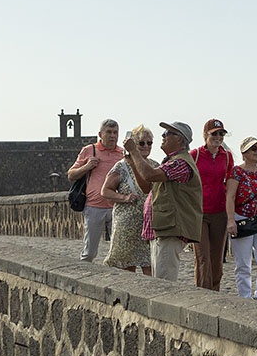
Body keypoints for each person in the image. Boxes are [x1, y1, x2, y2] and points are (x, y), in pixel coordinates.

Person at [123, 121, 202, 281]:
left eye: (167, 134)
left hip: (170, 229)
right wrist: (133, 162)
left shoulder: (180, 163)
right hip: (163, 228)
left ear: (179, 139)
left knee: (164, 282)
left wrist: (134, 151)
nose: (163, 136)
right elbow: (147, 187)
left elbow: (150, 175)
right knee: (158, 280)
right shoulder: (172, 162)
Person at [226, 137, 257, 301]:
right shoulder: (237, 172)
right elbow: (230, 196)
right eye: (253, 148)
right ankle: (245, 297)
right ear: (244, 153)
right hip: (242, 219)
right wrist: (231, 219)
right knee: (243, 264)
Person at [101, 125, 157, 274]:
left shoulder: (155, 165)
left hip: (149, 223)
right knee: (127, 266)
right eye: (141, 143)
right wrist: (124, 197)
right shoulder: (122, 166)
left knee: (151, 264)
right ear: (133, 145)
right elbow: (105, 190)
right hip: (127, 224)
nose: (146, 146)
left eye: (149, 143)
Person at [67, 119, 125, 262]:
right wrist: (86, 167)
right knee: (90, 252)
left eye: (115, 132)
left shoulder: (122, 154)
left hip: (116, 207)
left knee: (119, 250)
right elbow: (71, 175)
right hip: (94, 207)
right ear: (100, 134)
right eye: (109, 132)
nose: (113, 136)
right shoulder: (89, 150)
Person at [190, 119, 234, 290]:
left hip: (219, 212)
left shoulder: (227, 157)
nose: (218, 137)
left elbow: (230, 183)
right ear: (205, 135)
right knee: (202, 257)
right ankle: (202, 292)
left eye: (221, 133)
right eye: (214, 133)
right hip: (199, 212)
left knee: (216, 258)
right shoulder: (196, 155)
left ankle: (215, 291)